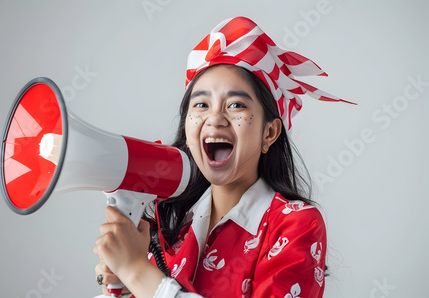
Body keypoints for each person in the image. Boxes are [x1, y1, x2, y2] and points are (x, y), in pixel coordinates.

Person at [94, 16, 354, 298]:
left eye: (236, 105)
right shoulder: (173, 226)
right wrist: (119, 285)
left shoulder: (294, 224)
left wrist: (137, 272)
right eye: (202, 104)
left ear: (269, 133)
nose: (215, 118)